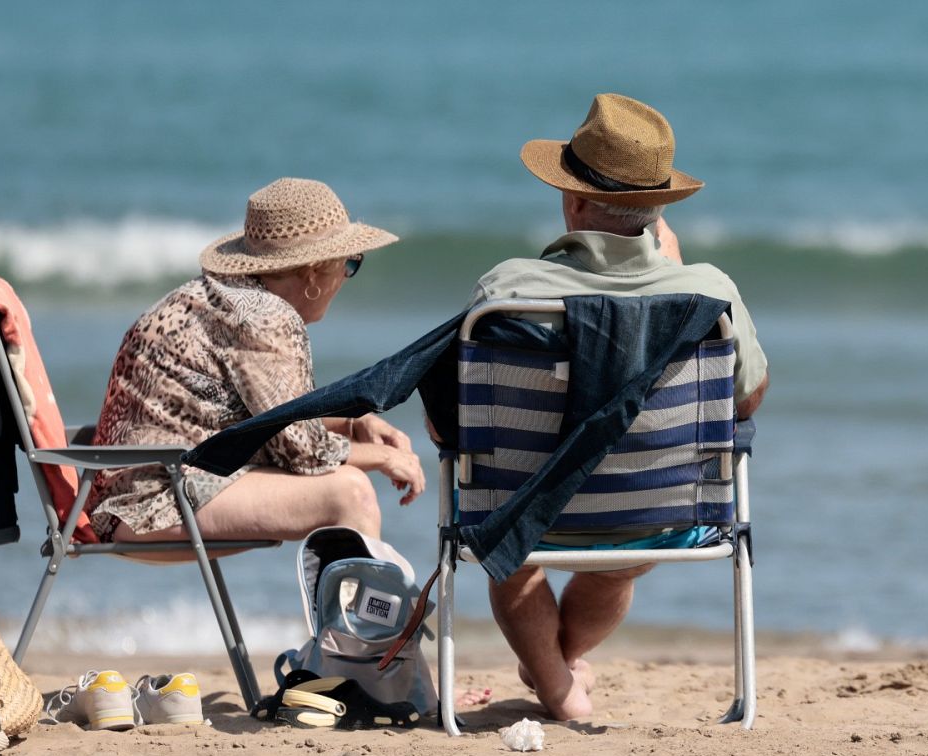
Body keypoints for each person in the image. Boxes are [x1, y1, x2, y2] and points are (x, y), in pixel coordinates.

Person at [469, 93, 770, 719]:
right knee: (618, 563)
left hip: (523, 516)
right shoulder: (707, 292)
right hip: (657, 516)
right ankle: (560, 674)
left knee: (510, 554)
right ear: (658, 209)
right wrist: (675, 278)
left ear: (575, 202)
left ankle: (557, 685)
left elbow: (455, 416)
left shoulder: (507, 290)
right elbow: (746, 400)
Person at [86, 177, 426, 546]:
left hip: (123, 495)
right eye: (349, 263)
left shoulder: (220, 295)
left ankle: (350, 585)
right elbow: (306, 456)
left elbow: (272, 419)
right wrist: (383, 457)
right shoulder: (263, 316)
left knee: (347, 485)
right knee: (350, 494)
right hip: (152, 505)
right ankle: (358, 588)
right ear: (314, 271)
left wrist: (352, 423)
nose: (346, 277)